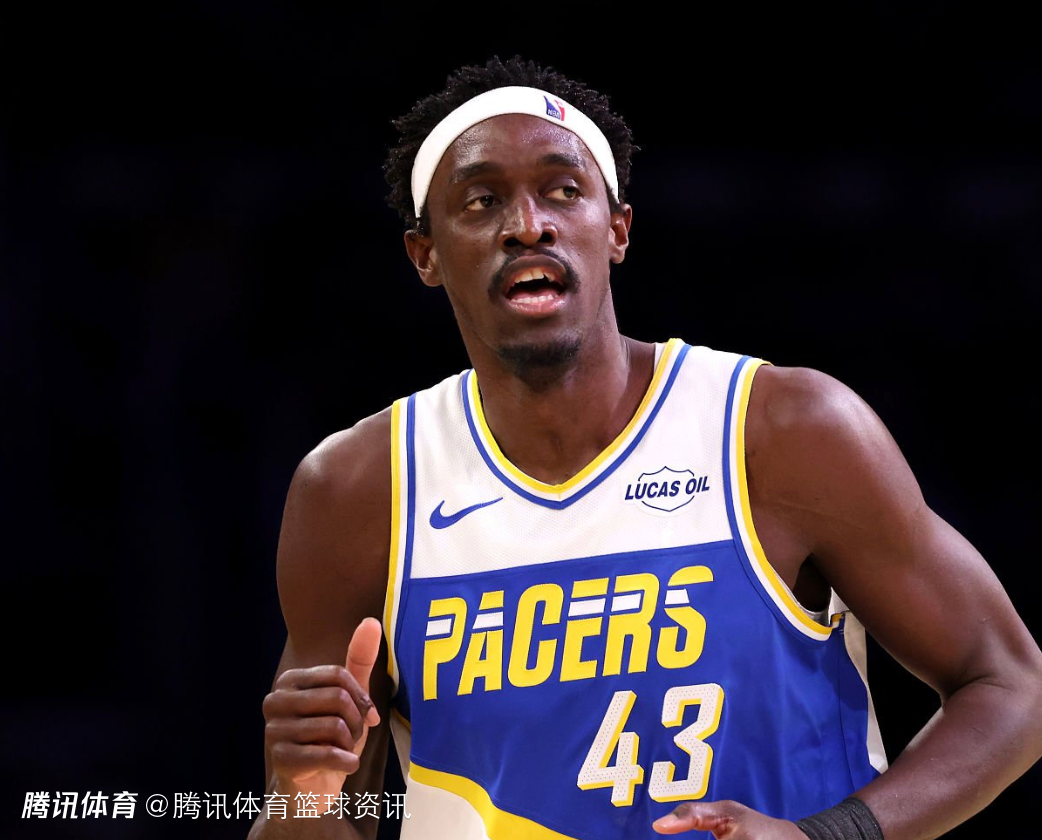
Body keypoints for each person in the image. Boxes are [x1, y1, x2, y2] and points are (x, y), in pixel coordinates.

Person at [248, 56, 1042, 840]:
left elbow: (1014, 687)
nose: (527, 225)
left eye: (564, 191)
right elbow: (311, 824)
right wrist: (300, 795)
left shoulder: (781, 432)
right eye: (482, 201)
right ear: (425, 254)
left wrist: (827, 837)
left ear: (617, 229)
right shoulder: (359, 490)